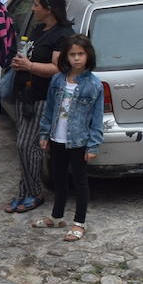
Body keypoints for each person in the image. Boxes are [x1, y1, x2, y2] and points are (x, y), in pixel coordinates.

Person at [7, 0, 73, 214]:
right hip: (26, 95)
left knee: (29, 146)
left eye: (36, 5)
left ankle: (34, 192)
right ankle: (24, 191)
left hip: (44, 98)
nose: (32, 9)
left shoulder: (62, 35)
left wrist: (29, 66)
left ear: (50, 9)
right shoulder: (38, 29)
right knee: (23, 146)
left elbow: (58, 69)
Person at [36, 35, 105, 242]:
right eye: (72, 54)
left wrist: (93, 145)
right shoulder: (58, 80)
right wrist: (44, 132)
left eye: (80, 54)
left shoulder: (93, 84)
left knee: (80, 181)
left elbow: (97, 118)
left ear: (88, 55)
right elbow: (49, 108)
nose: (76, 58)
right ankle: (57, 216)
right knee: (59, 178)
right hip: (57, 138)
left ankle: (79, 222)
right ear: (66, 56)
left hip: (79, 141)